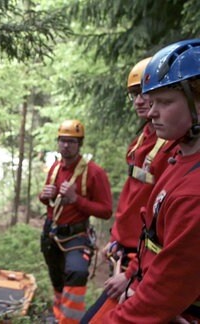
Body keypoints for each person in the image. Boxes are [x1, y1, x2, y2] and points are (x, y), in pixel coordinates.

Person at [101, 39, 200, 323]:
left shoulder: (193, 193)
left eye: (165, 102)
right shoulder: (179, 157)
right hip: (140, 271)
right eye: (148, 100)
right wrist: (131, 270)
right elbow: (150, 227)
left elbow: (165, 293)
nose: (151, 111)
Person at [81, 58, 176, 323]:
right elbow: (132, 199)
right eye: (134, 95)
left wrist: (132, 271)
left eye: (146, 94)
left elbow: (166, 225)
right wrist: (116, 237)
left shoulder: (172, 147)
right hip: (127, 250)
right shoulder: (142, 141)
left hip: (143, 261)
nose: (139, 101)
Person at [39, 119, 113, 323]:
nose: (66, 145)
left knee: (76, 272)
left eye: (71, 141)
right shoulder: (55, 168)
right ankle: (59, 316)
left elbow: (106, 210)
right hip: (52, 232)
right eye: (62, 141)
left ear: (79, 144)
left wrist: (76, 200)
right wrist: (45, 196)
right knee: (57, 277)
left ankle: (70, 321)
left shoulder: (94, 173)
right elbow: (49, 203)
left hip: (77, 235)